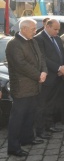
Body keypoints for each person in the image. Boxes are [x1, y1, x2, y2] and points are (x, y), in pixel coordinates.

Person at [6, 18, 47, 157]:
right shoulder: (14, 44)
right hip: (22, 88)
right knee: (17, 119)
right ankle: (13, 147)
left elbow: (41, 58)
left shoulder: (33, 41)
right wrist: (38, 75)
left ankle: (27, 138)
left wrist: (44, 71)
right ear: (23, 29)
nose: (36, 32)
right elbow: (21, 65)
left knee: (30, 115)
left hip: (34, 86)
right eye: (33, 29)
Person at [34, 19, 64, 138]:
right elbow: (42, 58)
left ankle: (50, 125)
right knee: (42, 104)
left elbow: (63, 54)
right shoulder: (39, 39)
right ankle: (40, 129)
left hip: (58, 76)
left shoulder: (57, 38)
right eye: (55, 29)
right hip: (47, 78)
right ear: (47, 27)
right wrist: (58, 68)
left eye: (58, 29)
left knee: (53, 103)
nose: (57, 31)